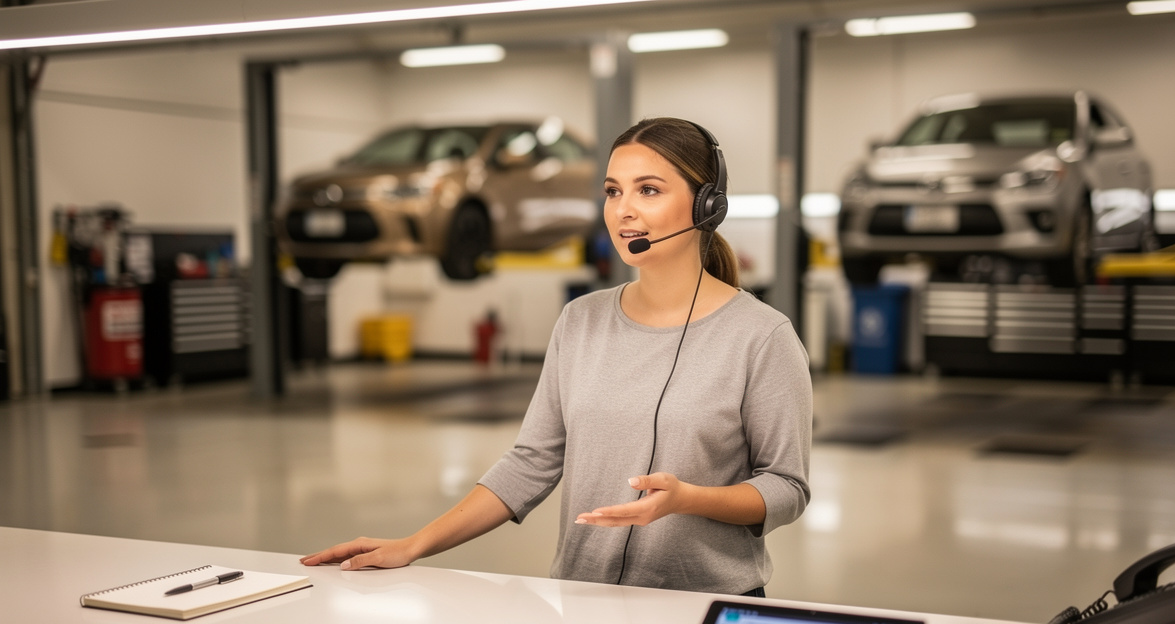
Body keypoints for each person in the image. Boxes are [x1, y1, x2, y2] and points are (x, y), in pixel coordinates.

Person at [302, 117, 812, 595]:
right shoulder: (580, 320)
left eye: (648, 190)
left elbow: (786, 487)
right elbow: (532, 461)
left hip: (707, 605)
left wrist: (690, 500)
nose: (623, 210)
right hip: (585, 599)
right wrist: (414, 545)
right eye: (613, 191)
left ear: (706, 206)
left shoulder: (761, 336)